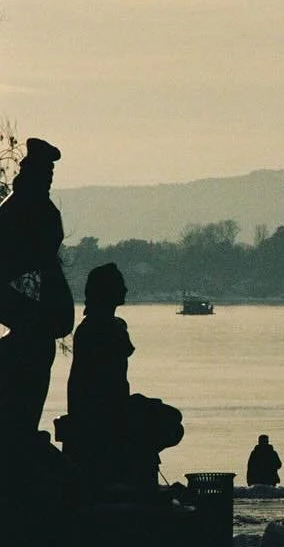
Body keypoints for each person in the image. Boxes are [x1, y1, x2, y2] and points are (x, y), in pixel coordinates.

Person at [65, 262, 184, 496]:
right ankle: (133, 479)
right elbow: (100, 385)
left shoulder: (107, 326)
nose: (126, 290)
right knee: (167, 421)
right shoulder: (99, 328)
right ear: (106, 292)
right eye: (120, 285)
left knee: (169, 418)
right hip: (99, 411)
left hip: (110, 405)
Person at [0, 139, 74, 446]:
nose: (49, 178)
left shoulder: (37, 210)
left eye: (50, 173)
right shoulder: (19, 211)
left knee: (36, 352)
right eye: (45, 172)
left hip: (28, 304)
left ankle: (23, 431)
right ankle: (20, 434)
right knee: (32, 354)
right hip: (18, 299)